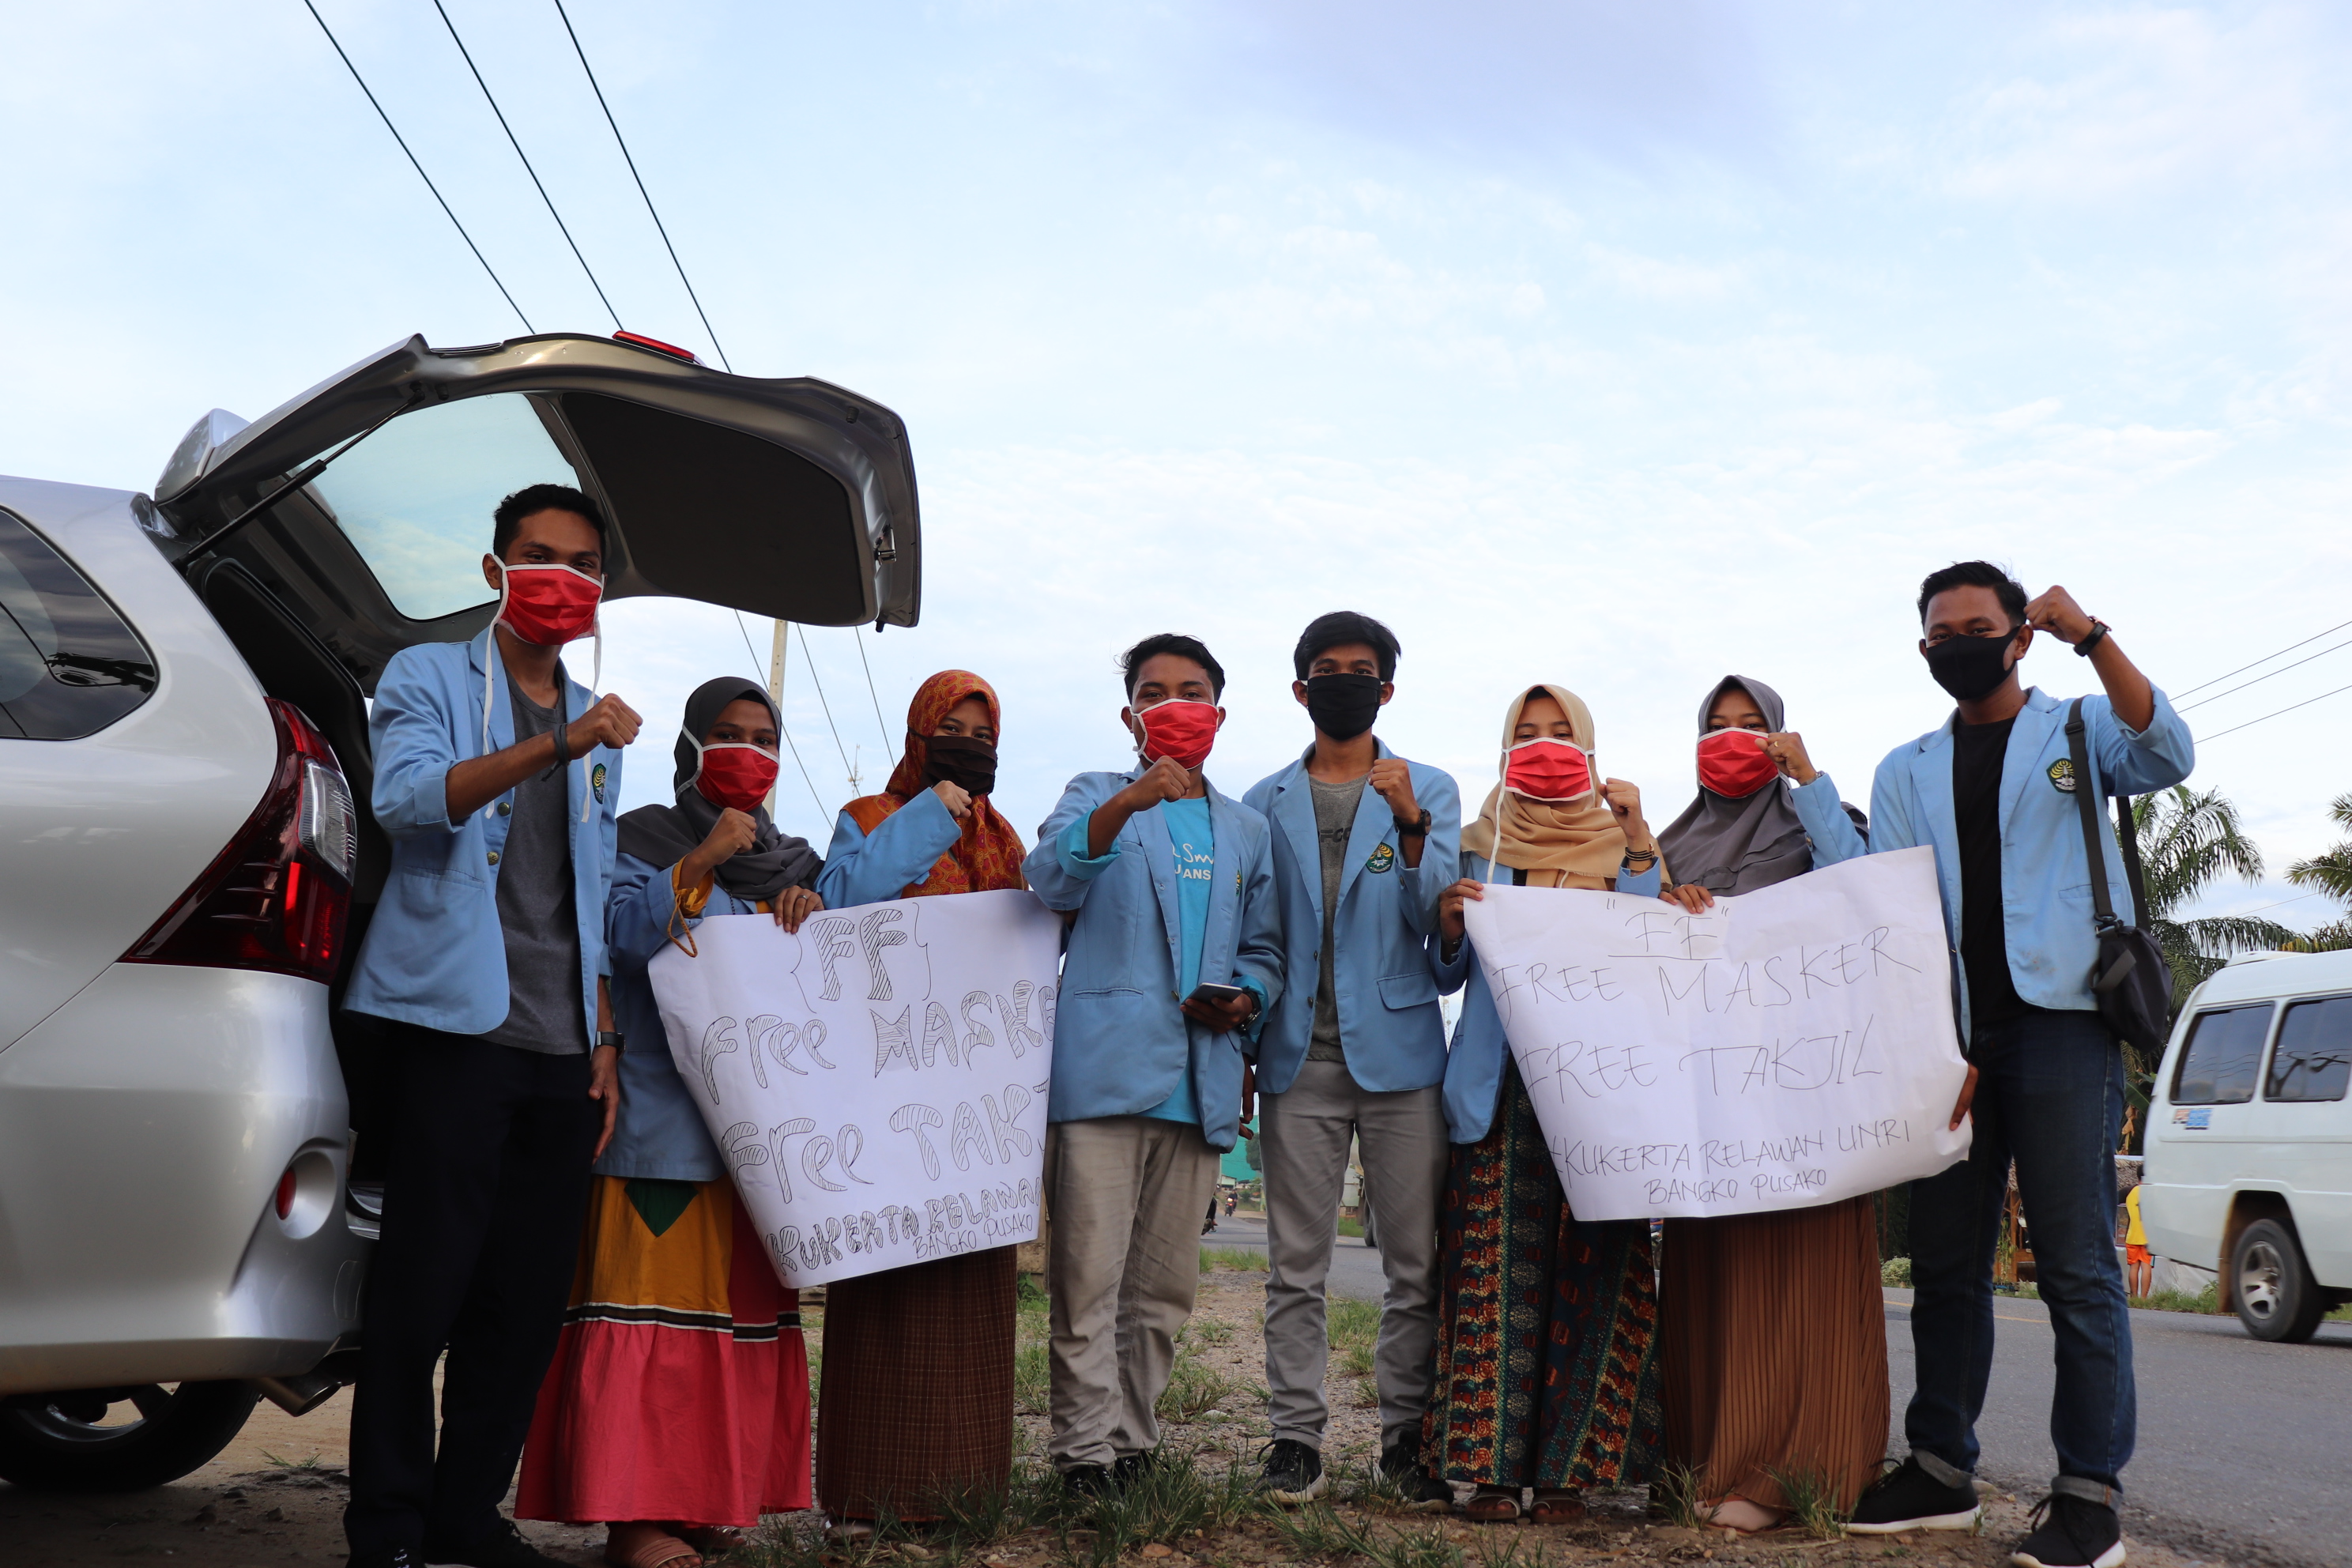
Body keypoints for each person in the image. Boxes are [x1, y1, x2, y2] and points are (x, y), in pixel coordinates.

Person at [1790, 562, 2192, 1568]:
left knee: (2077, 1265)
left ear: (2018, 635)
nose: (1957, 643)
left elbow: (2166, 750)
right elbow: (1872, 884)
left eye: (1978, 625)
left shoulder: (2073, 728)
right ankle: (1939, 1467)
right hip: (1954, 1037)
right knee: (1947, 1264)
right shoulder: (1907, 766)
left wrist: (2091, 634)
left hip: (2064, 1024)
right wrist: (1810, 792)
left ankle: (2089, 1494)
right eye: (1940, 633)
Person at [341, 484, 639, 1568]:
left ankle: (466, 1521)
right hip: (452, 1030)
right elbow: (410, 802)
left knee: (518, 1309)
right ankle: (386, 1532)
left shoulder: (603, 725)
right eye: (538, 555)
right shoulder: (427, 676)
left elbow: (595, 896)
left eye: (581, 565)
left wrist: (604, 1038)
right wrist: (555, 748)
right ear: (494, 569)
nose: (561, 578)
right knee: (420, 1293)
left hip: (561, 1051)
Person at [516, 677, 823, 1568]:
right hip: (662, 1123)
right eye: (727, 733)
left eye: (764, 737)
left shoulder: (791, 859)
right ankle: (636, 1517)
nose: (748, 751)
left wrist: (804, 913)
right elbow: (610, 936)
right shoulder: (643, 835)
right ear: (690, 746)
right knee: (649, 1328)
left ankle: (702, 1503)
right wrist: (699, 862)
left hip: (759, 1140)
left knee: (730, 1330)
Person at [1023, 634, 1285, 1494]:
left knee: (1163, 1291)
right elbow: (1050, 881)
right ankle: (1082, 1455)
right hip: (1100, 1077)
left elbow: (1266, 949)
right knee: (1088, 1281)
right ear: (1130, 714)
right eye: (1154, 690)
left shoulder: (1247, 828)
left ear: (1219, 710)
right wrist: (1130, 801)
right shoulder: (1094, 794)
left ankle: (1134, 1443)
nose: (1175, 702)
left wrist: (1246, 997)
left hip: (1201, 1080)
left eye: (1193, 689)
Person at [1419, 684, 1674, 1524]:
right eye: (1525, 734)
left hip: (1599, 1098)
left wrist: (1639, 840)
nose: (1542, 746)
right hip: (1498, 1093)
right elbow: (1447, 975)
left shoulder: (1628, 847)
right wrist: (1452, 926)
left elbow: (1653, 950)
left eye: (1561, 734)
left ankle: (1572, 1476)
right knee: (1494, 1272)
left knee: (1595, 1272)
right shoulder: (1481, 845)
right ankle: (1487, 1472)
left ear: (1591, 751)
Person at [1648, 677, 1888, 1534]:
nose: (1734, 738)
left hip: (1807, 1088)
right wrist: (1663, 900)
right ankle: (1709, 1460)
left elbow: (1868, 895)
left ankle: (1796, 1469)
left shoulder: (1821, 822)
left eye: (1752, 726)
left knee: (1798, 1271)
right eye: (1717, 726)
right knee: (1717, 1269)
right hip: (1709, 1095)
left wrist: (1809, 778)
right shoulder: (1671, 839)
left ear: (1780, 736)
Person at [1242, 611, 1460, 1508]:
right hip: (1299, 1057)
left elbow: (1442, 935)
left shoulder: (1430, 788)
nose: (1345, 681)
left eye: (1362, 670)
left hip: (1404, 1056)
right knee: (1297, 1266)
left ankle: (1405, 1440)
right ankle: (1296, 1440)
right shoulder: (1263, 801)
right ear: (1301, 691)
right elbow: (1253, 934)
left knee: (1414, 1265)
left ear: (1388, 690)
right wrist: (1251, 1045)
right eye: (1327, 670)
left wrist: (1410, 826)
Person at [809, 670, 1033, 1527]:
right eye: (955, 726)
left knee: (970, 1292)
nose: (972, 743)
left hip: (976, 1112)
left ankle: (964, 1494)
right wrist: (931, 812)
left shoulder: (1005, 841)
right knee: (885, 1284)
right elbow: (839, 905)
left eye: (985, 730)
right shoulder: (870, 818)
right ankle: (869, 1491)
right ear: (921, 731)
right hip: (884, 1093)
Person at [2124, 1185, 2152, 1300]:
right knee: (2147, 1267)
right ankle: (2144, 1299)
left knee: (2133, 1268)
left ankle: (2134, 1298)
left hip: (2132, 1236)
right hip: (2149, 1238)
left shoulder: (2129, 1191)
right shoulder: (2153, 1192)